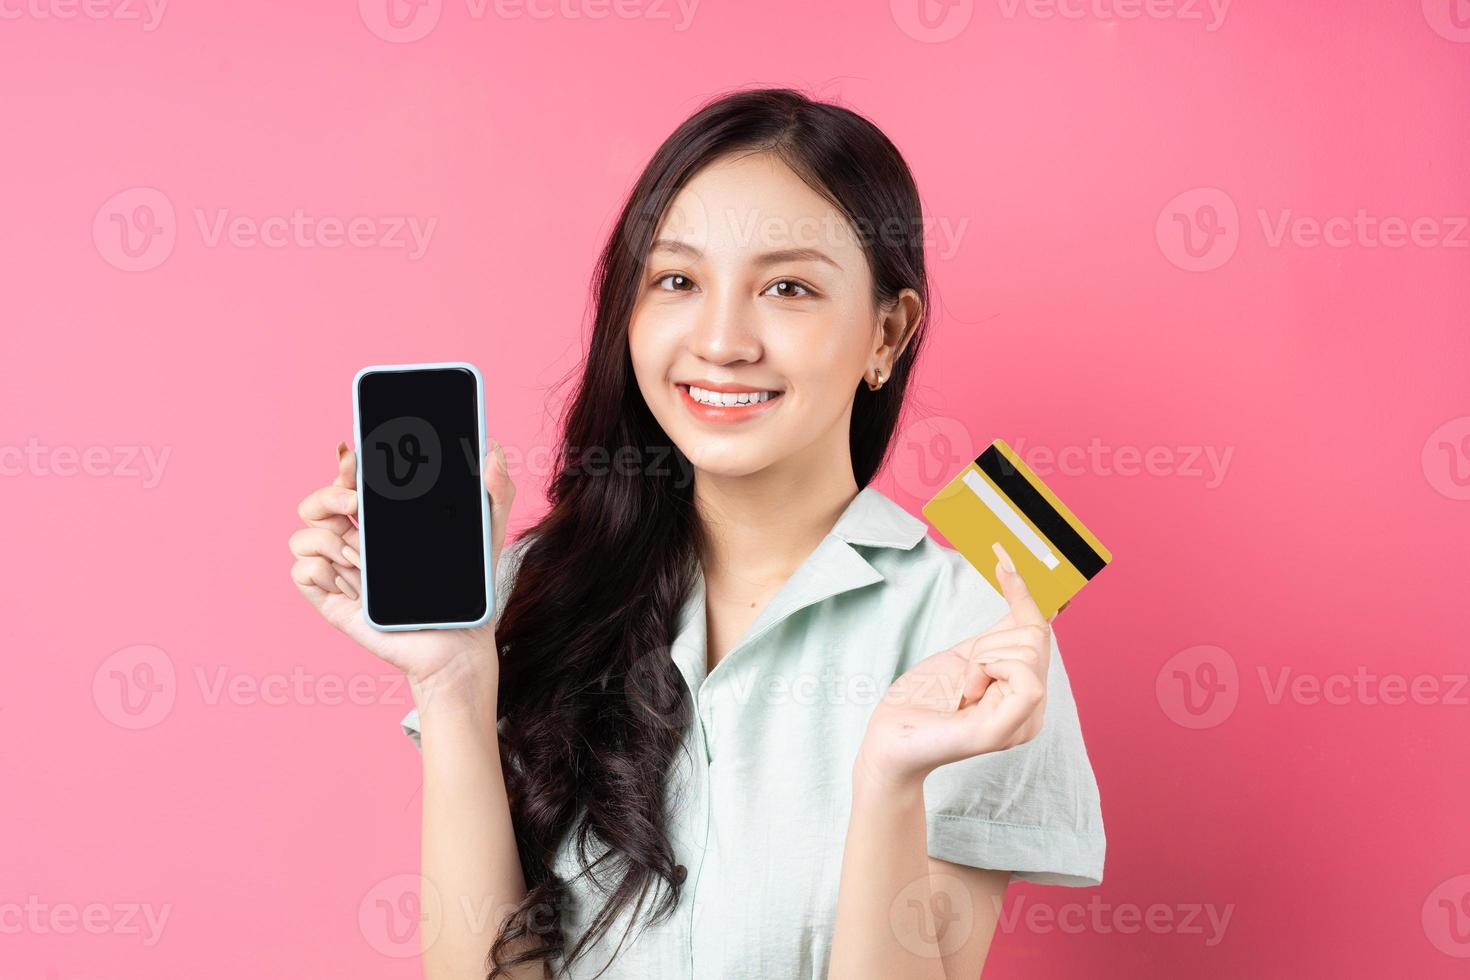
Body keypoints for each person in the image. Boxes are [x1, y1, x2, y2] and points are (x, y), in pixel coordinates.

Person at [289, 87, 1104, 980]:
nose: (721, 341)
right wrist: (453, 684)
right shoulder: (528, 591)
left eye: (787, 287)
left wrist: (888, 782)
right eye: (677, 280)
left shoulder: (979, 632)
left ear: (887, 332)